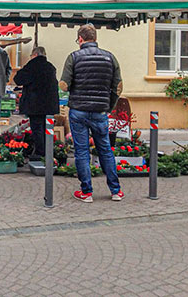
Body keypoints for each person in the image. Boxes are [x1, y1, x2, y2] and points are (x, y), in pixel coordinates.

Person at [60, 24, 124, 203]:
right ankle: (116, 191)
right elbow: (118, 87)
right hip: (100, 111)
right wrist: (108, 106)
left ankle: (86, 192)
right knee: (105, 149)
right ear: (95, 38)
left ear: (80, 39)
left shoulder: (74, 57)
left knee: (81, 151)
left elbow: (63, 85)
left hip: (78, 111)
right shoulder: (110, 58)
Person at [14, 46, 60, 159]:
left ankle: (40, 152)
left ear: (34, 55)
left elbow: (18, 79)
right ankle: (48, 152)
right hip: (49, 104)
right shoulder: (50, 67)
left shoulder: (32, 66)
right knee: (47, 128)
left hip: (35, 104)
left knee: (37, 128)